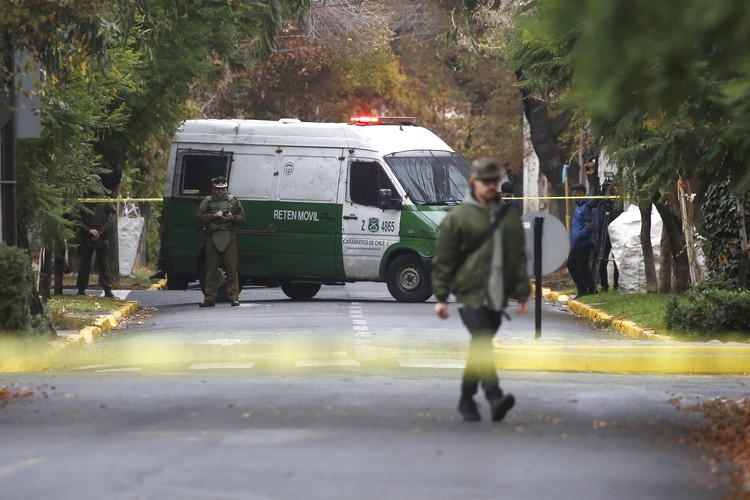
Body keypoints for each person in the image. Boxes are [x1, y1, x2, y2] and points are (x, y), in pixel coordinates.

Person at [431, 158, 530, 423]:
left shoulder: (508, 217)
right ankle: (494, 396)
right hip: (469, 294)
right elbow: (444, 259)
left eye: (493, 181)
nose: (490, 186)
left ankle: (466, 400)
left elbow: (518, 255)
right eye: (485, 181)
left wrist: (522, 291)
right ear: (472, 182)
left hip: (498, 295)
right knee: (482, 341)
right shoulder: (459, 217)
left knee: (479, 346)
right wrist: (441, 297)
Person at [196, 176, 246, 307]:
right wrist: (213, 215)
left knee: (231, 269)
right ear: (213, 189)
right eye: (218, 189)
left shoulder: (233, 201)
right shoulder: (207, 202)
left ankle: (234, 297)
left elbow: (243, 217)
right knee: (211, 269)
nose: (221, 191)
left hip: (228, 236)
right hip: (212, 237)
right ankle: (209, 298)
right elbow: (199, 217)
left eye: (223, 189)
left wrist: (232, 218)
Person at [71, 174, 117, 298]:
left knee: (104, 264)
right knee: (84, 264)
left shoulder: (105, 200)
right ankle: (81, 290)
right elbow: (76, 218)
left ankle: (108, 290)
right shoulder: (82, 200)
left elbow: (110, 219)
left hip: (102, 236)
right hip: (86, 236)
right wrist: (89, 230)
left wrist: (100, 231)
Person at [567, 182, 597, 297]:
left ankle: (590, 288)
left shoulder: (589, 206)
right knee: (572, 265)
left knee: (582, 267)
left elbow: (591, 224)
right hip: (576, 243)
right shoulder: (579, 206)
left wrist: (580, 234)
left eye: (575, 195)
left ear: (582, 193)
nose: (574, 197)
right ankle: (583, 288)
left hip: (585, 242)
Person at [593, 180, 621, 292]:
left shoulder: (618, 203)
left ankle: (616, 284)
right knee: (602, 261)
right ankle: (604, 285)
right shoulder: (601, 204)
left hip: (615, 235)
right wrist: (601, 194)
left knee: (616, 260)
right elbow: (592, 204)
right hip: (603, 235)